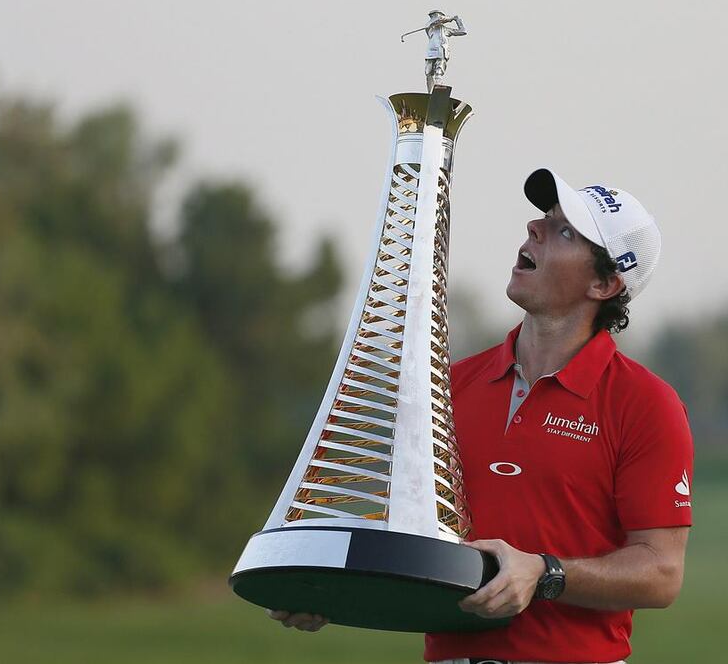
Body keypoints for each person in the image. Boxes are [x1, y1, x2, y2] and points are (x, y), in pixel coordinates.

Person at [269, 168, 694, 664]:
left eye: (563, 231)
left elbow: (661, 572)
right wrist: (325, 585)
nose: (535, 227)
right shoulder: (447, 385)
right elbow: (410, 531)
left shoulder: (645, 404)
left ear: (603, 283)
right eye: (544, 217)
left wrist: (545, 573)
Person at [423, 10, 467, 92]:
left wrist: (457, 20)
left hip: (442, 51)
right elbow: (437, 20)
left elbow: (463, 31)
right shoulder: (429, 27)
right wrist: (450, 18)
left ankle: (438, 86)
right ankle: (430, 92)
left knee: (439, 71)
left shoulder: (445, 30)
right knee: (428, 72)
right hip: (431, 53)